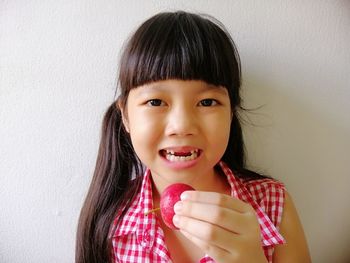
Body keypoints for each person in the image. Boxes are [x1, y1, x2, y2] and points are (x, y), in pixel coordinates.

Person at [76, 11, 311, 263]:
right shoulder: (109, 222)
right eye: (155, 101)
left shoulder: (272, 204)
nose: (182, 126)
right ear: (125, 116)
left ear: (231, 112)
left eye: (207, 102)